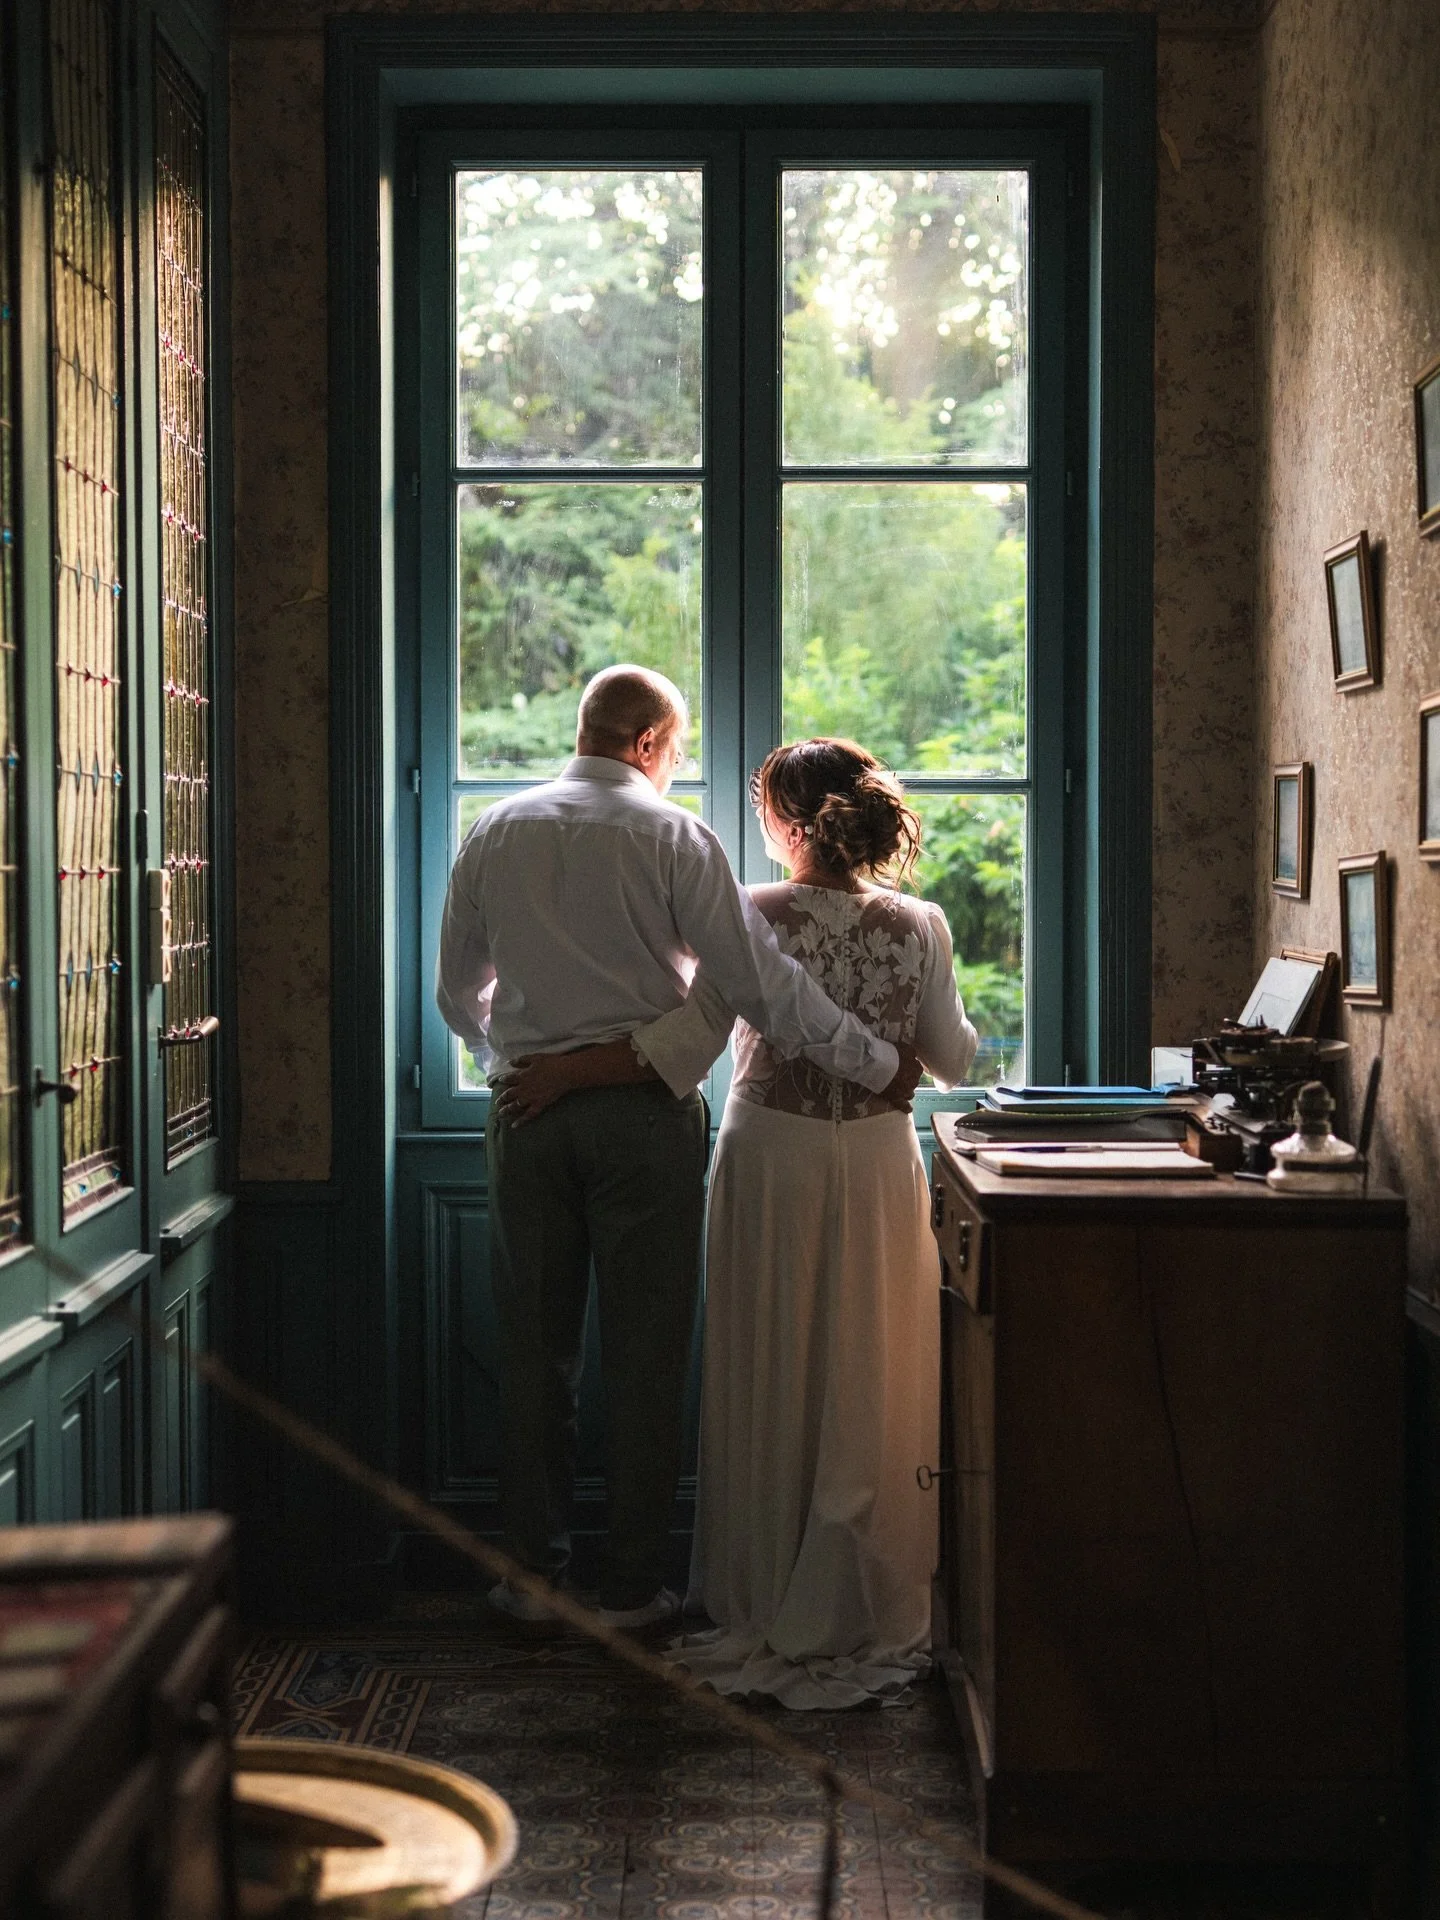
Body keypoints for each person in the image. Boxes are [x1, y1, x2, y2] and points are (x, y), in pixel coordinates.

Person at [497, 737, 977, 1707]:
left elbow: (678, 1046)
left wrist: (563, 1070)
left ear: (780, 823)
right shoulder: (921, 924)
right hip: (880, 1163)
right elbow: (955, 1059)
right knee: (867, 1371)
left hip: (772, 1160)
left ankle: (763, 1589)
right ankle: (860, 1591)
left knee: (772, 1363)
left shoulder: (751, 915)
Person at [436, 672, 922, 1630]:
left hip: (526, 1119)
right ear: (653, 740)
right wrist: (872, 1060)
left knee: (534, 1354)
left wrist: (516, 1064)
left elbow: (458, 991)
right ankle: (630, 1588)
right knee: (647, 1357)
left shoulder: (494, 829)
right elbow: (757, 985)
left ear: (587, 730)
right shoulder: (672, 837)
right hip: (645, 1121)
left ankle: (531, 1577)